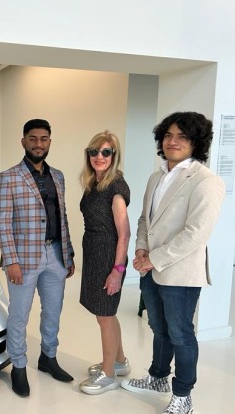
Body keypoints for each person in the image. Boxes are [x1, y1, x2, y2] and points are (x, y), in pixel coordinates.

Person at [120, 111, 226, 414]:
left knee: (181, 334)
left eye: (182, 136)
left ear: (196, 142)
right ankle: (157, 377)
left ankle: (183, 397)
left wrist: (154, 258)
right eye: (168, 135)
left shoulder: (207, 181)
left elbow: (196, 234)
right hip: (150, 267)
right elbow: (144, 219)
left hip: (179, 272)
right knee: (159, 328)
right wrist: (140, 248)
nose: (173, 141)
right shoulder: (156, 177)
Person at [0, 118, 75, 397]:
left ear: (49, 142)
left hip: (55, 254)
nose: (38, 144)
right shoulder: (9, 177)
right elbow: (3, 223)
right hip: (24, 259)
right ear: (23, 141)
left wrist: (69, 254)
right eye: (33, 138)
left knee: (53, 312)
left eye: (43, 139)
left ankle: (48, 358)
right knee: (19, 315)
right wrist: (11, 260)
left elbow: (62, 218)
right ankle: (18, 365)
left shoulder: (59, 176)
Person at [77, 130, 132, 395]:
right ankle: (119, 361)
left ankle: (109, 374)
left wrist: (117, 271)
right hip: (94, 254)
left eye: (106, 152)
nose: (100, 157)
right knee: (107, 314)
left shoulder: (115, 187)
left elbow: (125, 233)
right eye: (95, 152)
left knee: (105, 317)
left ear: (114, 156)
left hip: (109, 257)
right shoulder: (93, 183)